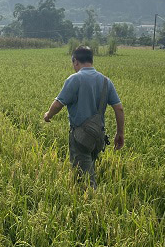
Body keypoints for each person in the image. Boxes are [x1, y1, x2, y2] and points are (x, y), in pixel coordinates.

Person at [43, 46, 124, 188]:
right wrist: (120, 132)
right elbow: (119, 108)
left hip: (80, 137)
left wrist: (48, 115)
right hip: (98, 136)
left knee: (84, 180)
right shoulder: (106, 81)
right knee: (90, 168)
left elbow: (58, 104)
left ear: (75, 61)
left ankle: (93, 205)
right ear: (91, 60)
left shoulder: (75, 79)